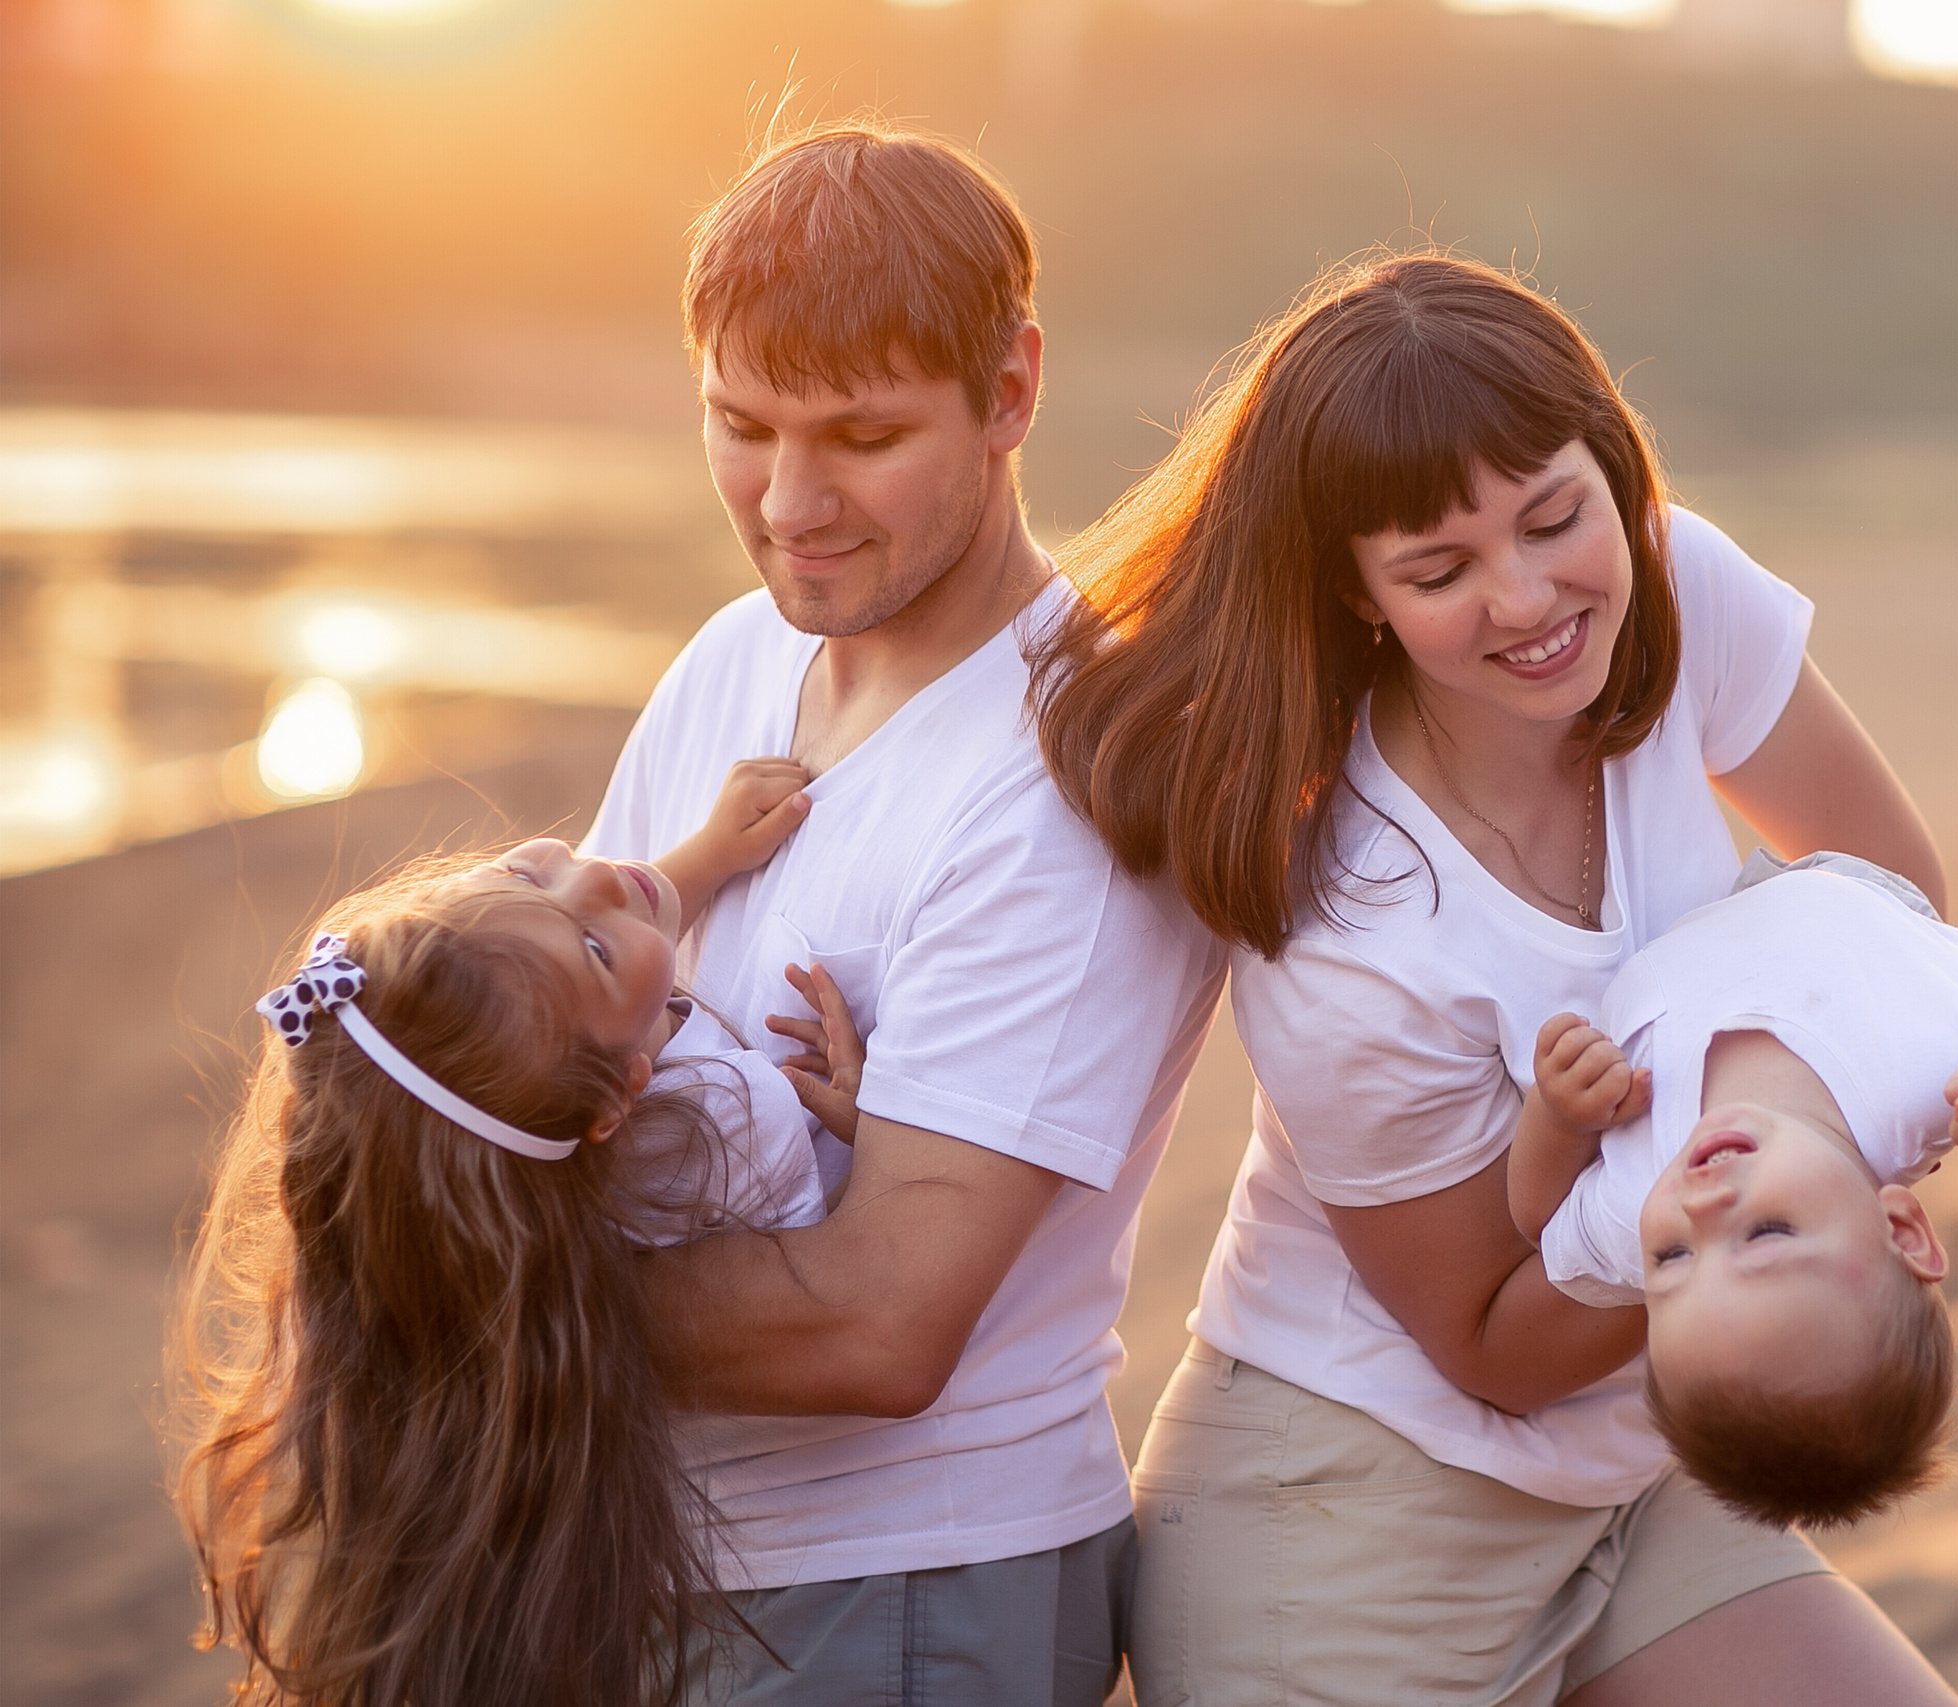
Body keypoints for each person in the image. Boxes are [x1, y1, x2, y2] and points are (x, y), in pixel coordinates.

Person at [1034, 251, 1958, 1705]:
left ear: (1610, 460)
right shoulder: (1342, 914)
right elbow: (1491, 1344)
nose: (1528, 596)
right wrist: (1787, 1191)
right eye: (1439, 569)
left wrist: (1777, 1183)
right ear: (1356, 596)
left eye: (1553, 517)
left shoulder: (1674, 582)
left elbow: (1892, 900)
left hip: (1644, 1466)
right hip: (1352, 1520)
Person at [578, 119, 1225, 1704]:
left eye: (861, 435)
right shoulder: (736, 654)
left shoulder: (1073, 769)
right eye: (741, 424)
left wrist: (441, 1276)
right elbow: (542, 1026)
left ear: (1010, 392)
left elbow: (879, 1327)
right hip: (660, 1546)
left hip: (905, 1592)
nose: (790, 501)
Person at [168, 761, 846, 1707]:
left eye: (529, 877)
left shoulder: (531, 1103)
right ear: (616, 1100)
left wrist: (697, 860)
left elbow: (579, 965)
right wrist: (865, 1113)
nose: (601, 875)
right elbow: (838, 1263)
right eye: (596, 947)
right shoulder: (727, 1121)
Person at [1513, 851, 1958, 1530]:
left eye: (1671, 1258)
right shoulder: (1929, 1080)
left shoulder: (1640, 1193)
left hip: (1676, 915)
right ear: (1902, 1229)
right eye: (1767, 1232)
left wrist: (1556, 1119)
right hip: (1845, 894)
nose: (1700, 1207)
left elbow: (1539, 1218)